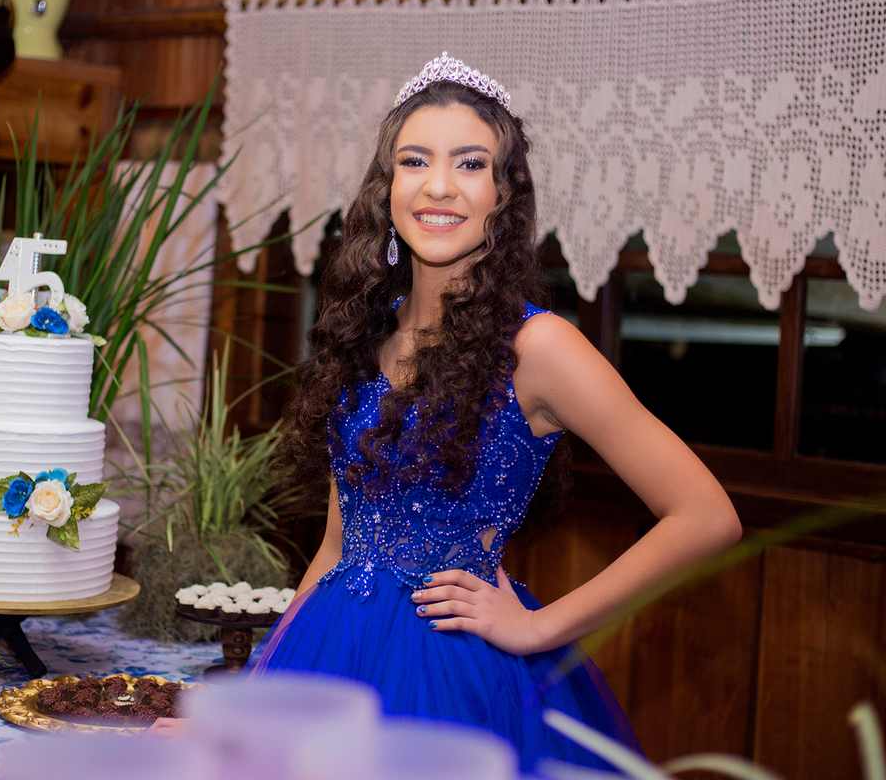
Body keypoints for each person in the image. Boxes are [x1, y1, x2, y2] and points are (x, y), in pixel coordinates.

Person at [249, 53, 743, 770]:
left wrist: (539, 629)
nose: (440, 185)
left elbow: (707, 516)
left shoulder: (540, 346)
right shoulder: (366, 331)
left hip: (448, 682)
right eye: (415, 160)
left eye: (471, 163)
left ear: (502, 196)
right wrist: (264, 686)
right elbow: (334, 547)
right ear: (388, 190)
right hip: (327, 655)